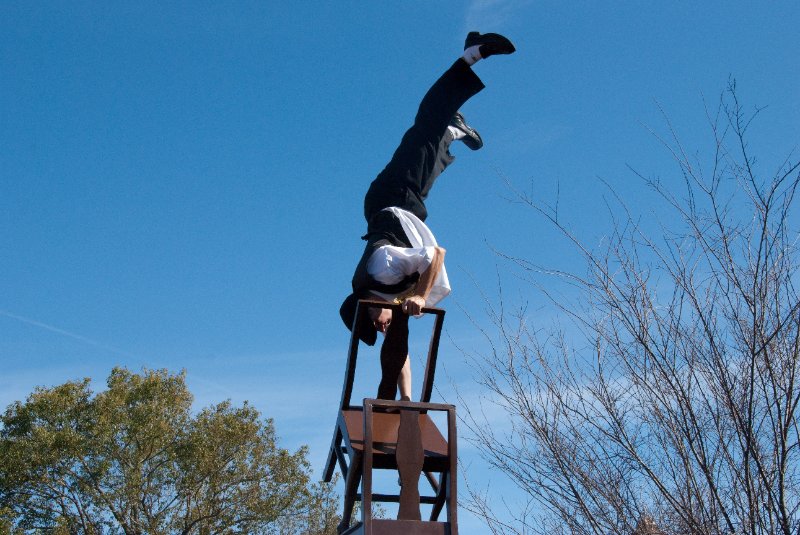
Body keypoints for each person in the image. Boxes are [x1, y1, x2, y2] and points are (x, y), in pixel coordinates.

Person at [339, 32, 516, 401]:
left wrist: (420, 295)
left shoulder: (381, 269)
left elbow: (435, 256)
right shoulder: (386, 295)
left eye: (376, 325)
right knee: (429, 160)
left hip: (392, 198)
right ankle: (451, 131)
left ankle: (471, 55)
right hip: (403, 206)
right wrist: (405, 401)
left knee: (423, 130)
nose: (382, 328)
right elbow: (398, 356)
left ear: (370, 309)